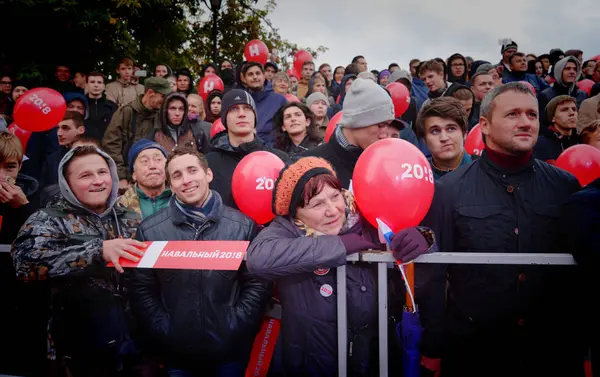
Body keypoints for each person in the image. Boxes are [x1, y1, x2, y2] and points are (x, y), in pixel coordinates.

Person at [418, 82, 582, 377]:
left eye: (532, 115)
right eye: (513, 114)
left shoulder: (564, 186)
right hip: (475, 351)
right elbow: (433, 277)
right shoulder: (448, 191)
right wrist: (433, 346)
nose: (525, 123)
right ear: (485, 125)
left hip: (550, 350)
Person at [246, 156, 435, 376]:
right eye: (317, 204)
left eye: (335, 196)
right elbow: (259, 258)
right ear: (295, 212)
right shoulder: (288, 228)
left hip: (373, 355)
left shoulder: (363, 212)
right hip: (312, 360)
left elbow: (406, 232)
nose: (333, 210)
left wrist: (425, 238)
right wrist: (339, 246)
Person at [126, 147, 270, 377]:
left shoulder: (243, 226)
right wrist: (164, 329)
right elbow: (142, 289)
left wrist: (238, 323)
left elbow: (257, 281)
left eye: (192, 171)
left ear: (208, 174)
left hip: (230, 352)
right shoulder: (151, 230)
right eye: (177, 175)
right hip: (177, 356)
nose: (186, 180)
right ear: (170, 184)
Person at [12, 145, 146, 377]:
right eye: (85, 175)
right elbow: (24, 264)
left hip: (132, 347)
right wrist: (97, 251)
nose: (97, 181)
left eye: (102, 172)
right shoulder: (48, 220)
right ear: (67, 183)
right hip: (75, 350)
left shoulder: (130, 217)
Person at [301, 78, 395, 188]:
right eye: (380, 125)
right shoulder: (305, 166)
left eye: (389, 125)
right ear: (357, 122)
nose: (386, 135)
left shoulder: (388, 163)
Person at [206, 89, 287, 208]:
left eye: (247, 108)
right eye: (233, 109)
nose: (241, 114)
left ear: (254, 117)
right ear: (224, 119)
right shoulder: (208, 163)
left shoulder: (279, 160)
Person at [102, 76, 172, 190]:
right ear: (150, 93)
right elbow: (111, 145)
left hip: (153, 176)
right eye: (163, 96)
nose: (165, 100)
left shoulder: (160, 115)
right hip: (127, 180)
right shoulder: (126, 112)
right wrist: (121, 177)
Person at [416, 97, 474, 181]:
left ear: (464, 133)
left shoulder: (485, 171)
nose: (444, 138)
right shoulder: (418, 177)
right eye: (435, 131)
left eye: (451, 129)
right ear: (424, 140)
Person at [118, 139, 171, 218]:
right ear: (134, 174)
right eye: (144, 161)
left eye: (158, 159)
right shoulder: (120, 207)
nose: (152, 166)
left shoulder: (182, 198)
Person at [241, 62, 287, 147]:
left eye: (258, 73)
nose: (255, 77)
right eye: (250, 74)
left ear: (264, 76)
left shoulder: (279, 100)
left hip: (274, 152)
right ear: (244, 79)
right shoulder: (241, 102)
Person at [40, 111, 86, 189]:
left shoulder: (93, 156)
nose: (59, 133)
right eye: (58, 128)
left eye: (65, 128)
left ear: (81, 130)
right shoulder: (52, 159)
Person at [538, 56, 588, 127]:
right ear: (559, 71)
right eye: (567, 69)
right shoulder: (545, 95)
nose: (572, 72)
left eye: (575, 69)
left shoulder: (582, 95)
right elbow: (542, 124)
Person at [534, 95, 580, 161]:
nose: (572, 113)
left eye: (574, 109)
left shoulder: (581, 141)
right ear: (553, 118)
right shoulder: (540, 145)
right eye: (564, 110)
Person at [85, 72, 117, 142]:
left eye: (99, 82)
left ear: (104, 86)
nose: (96, 85)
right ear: (87, 85)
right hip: (84, 146)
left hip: (107, 146)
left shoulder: (112, 106)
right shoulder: (81, 105)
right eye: (92, 82)